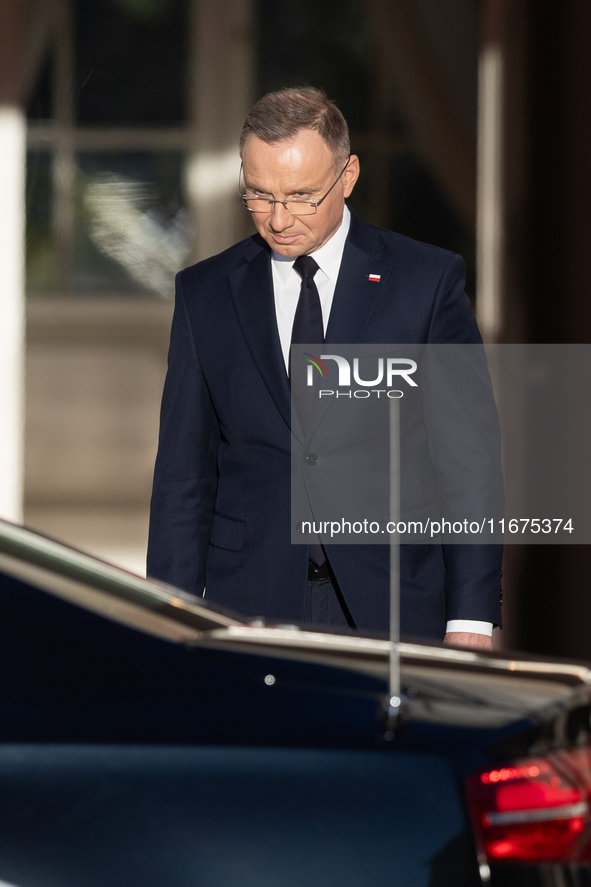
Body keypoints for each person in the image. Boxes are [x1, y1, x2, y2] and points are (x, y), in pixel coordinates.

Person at [147, 87, 502, 648]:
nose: (279, 218)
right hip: (245, 603)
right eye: (259, 195)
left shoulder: (426, 284)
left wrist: (471, 617)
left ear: (349, 175)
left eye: (302, 195)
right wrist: (166, 617)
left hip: (395, 606)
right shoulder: (205, 294)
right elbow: (184, 477)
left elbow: (469, 466)